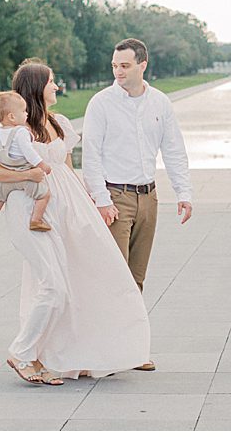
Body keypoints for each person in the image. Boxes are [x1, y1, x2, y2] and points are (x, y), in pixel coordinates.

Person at [0, 58, 150, 385]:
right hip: (30, 206)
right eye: (51, 81)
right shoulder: (15, 129)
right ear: (36, 87)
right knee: (51, 283)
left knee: (80, 276)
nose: (56, 86)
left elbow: (68, 166)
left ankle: (66, 353)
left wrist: (92, 201)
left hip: (67, 205)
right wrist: (31, 173)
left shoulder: (57, 122)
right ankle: (23, 352)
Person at [83, 38, 193, 372]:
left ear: (143, 65)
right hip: (115, 199)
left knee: (136, 278)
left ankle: (131, 350)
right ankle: (99, 351)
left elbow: (173, 149)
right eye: (115, 65)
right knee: (113, 278)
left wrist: (184, 192)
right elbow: (91, 155)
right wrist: (102, 200)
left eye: (125, 65)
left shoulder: (160, 103)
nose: (118, 71)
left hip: (149, 198)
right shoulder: (101, 103)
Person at [0, 90, 53, 235]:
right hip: (25, 175)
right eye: (23, 111)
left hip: (7, 180)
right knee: (44, 195)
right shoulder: (21, 132)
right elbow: (29, 152)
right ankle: (36, 220)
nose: (26, 114)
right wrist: (42, 165)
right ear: (12, 117)